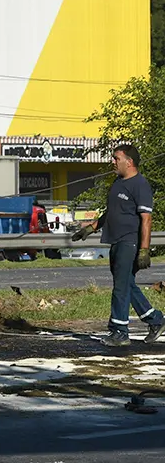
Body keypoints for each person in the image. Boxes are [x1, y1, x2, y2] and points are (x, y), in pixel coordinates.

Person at [72, 144, 163, 347]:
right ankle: (156, 320)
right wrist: (91, 228)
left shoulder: (140, 185)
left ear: (129, 162)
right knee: (127, 285)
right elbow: (111, 212)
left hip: (129, 241)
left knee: (120, 288)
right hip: (115, 239)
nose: (113, 162)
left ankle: (120, 332)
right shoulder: (118, 182)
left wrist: (144, 250)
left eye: (116, 158)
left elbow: (146, 220)